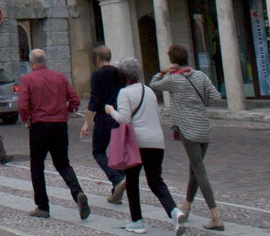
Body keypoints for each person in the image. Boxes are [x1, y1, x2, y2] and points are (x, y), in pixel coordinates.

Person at [105, 57, 187, 235]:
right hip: (156, 141)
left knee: (132, 181)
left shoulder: (124, 93)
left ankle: (137, 221)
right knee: (156, 181)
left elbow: (125, 119)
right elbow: (157, 116)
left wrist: (111, 111)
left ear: (123, 76)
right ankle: (174, 211)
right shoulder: (149, 91)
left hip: (136, 142)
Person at [150, 45, 223, 231]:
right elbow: (216, 97)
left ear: (173, 61)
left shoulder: (174, 80)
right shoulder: (200, 76)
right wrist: (200, 102)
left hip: (188, 128)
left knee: (199, 170)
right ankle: (187, 206)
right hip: (204, 127)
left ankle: (215, 215)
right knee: (195, 168)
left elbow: (153, 84)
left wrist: (162, 72)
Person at [18, 48, 91, 220]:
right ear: (45, 60)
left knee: (37, 166)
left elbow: (23, 106)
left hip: (39, 126)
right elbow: (75, 100)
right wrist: (65, 111)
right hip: (59, 125)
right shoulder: (60, 77)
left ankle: (43, 206)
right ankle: (78, 192)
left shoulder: (28, 79)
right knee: (63, 163)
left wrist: (27, 118)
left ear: (32, 62)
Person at [80, 45, 127, 203]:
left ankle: (116, 178)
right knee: (117, 153)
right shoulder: (118, 72)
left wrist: (86, 122)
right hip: (119, 115)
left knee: (98, 151)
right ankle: (117, 190)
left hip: (104, 117)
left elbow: (94, 99)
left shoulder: (97, 74)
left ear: (98, 58)